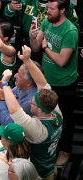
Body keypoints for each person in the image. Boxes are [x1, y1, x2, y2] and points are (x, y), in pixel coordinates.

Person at [0, 45, 63, 179]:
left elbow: (16, 112)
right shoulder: (56, 112)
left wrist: (5, 84)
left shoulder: (38, 129)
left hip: (38, 174)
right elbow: (42, 83)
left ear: (39, 109)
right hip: (50, 165)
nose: (30, 102)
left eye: (32, 103)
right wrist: (27, 60)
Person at [29, 0, 78, 167]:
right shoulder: (47, 21)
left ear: (62, 10)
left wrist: (46, 48)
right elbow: (35, 48)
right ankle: (46, 146)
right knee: (44, 114)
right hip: (46, 81)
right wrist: (32, 36)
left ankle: (65, 150)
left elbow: (62, 61)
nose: (47, 11)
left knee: (66, 119)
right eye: (47, 8)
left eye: (51, 8)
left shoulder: (70, 31)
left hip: (64, 84)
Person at [0, 60, 43, 125]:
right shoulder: (21, 86)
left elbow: (7, 121)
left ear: (29, 83)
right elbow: (10, 95)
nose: (15, 75)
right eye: (17, 72)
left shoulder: (31, 102)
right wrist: (3, 88)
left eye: (20, 75)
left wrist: (1, 99)